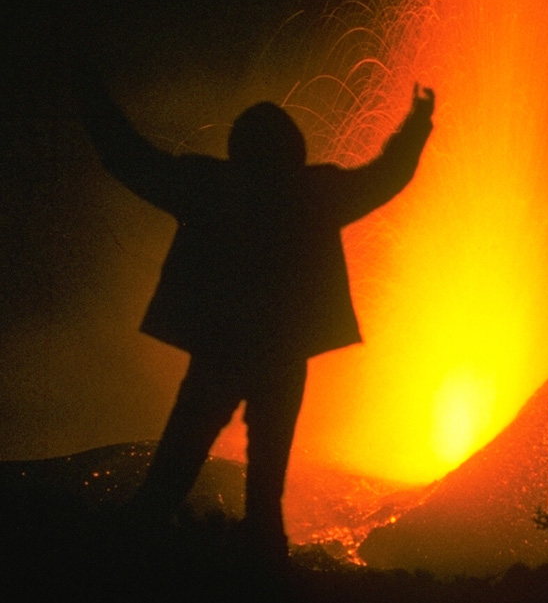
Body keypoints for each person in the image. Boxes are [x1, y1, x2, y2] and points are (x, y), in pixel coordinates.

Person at [75, 73, 434, 564]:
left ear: (237, 148)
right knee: (267, 480)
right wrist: (415, 127)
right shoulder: (314, 194)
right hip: (284, 352)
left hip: (219, 347)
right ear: (295, 151)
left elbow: (131, 160)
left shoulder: (208, 186)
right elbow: (384, 176)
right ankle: (263, 567)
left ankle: (128, 557)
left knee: (178, 459)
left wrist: (93, 99)